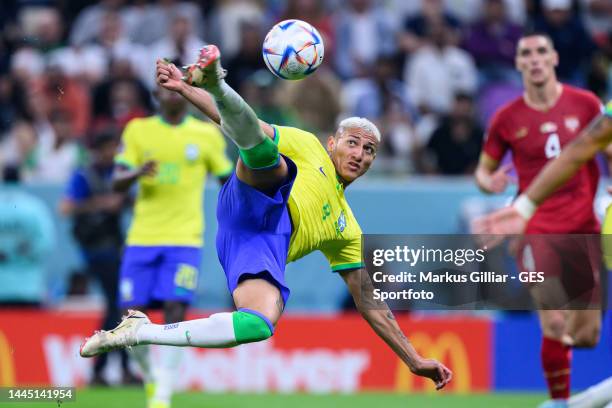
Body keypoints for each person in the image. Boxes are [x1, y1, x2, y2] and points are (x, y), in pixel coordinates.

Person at [80, 45, 453, 392]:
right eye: (352, 142)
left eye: (368, 150)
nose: (358, 153)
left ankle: (142, 331)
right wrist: (187, 90)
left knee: (259, 324)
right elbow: (248, 128)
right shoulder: (308, 146)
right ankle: (219, 82)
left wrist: (413, 358)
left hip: (258, 246)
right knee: (263, 151)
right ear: (332, 143)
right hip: (255, 198)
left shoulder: (348, 230)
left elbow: (371, 303)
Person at [473, 32, 605, 408]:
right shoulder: (506, 118)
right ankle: (559, 401)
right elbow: (483, 173)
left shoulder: (586, 104)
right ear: (517, 63)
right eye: (526, 53)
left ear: (555, 58)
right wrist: (490, 182)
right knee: (555, 321)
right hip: (534, 230)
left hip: (583, 228)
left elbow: (604, 147)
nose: (534, 59)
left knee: (587, 334)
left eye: (541, 51)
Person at [105, 80, 233, 408]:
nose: (173, 94)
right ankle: (150, 375)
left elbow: (227, 180)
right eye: (167, 89)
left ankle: (164, 390)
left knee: (177, 308)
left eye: (180, 89)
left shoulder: (205, 135)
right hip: (142, 238)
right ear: (156, 95)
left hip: (184, 239)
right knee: (131, 316)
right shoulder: (138, 130)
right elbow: (117, 182)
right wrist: (135, 173)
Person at [60, 130, 135, 386]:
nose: (113, 153)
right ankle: (113, 368)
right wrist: (102, 203)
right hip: (96, 249)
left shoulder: (119, 174)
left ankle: (102, 369)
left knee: (117, 305)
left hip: (115, 247)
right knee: (119, 304)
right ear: (99, 150)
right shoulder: (85, 175)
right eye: (110, 148)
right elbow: (66, 207)